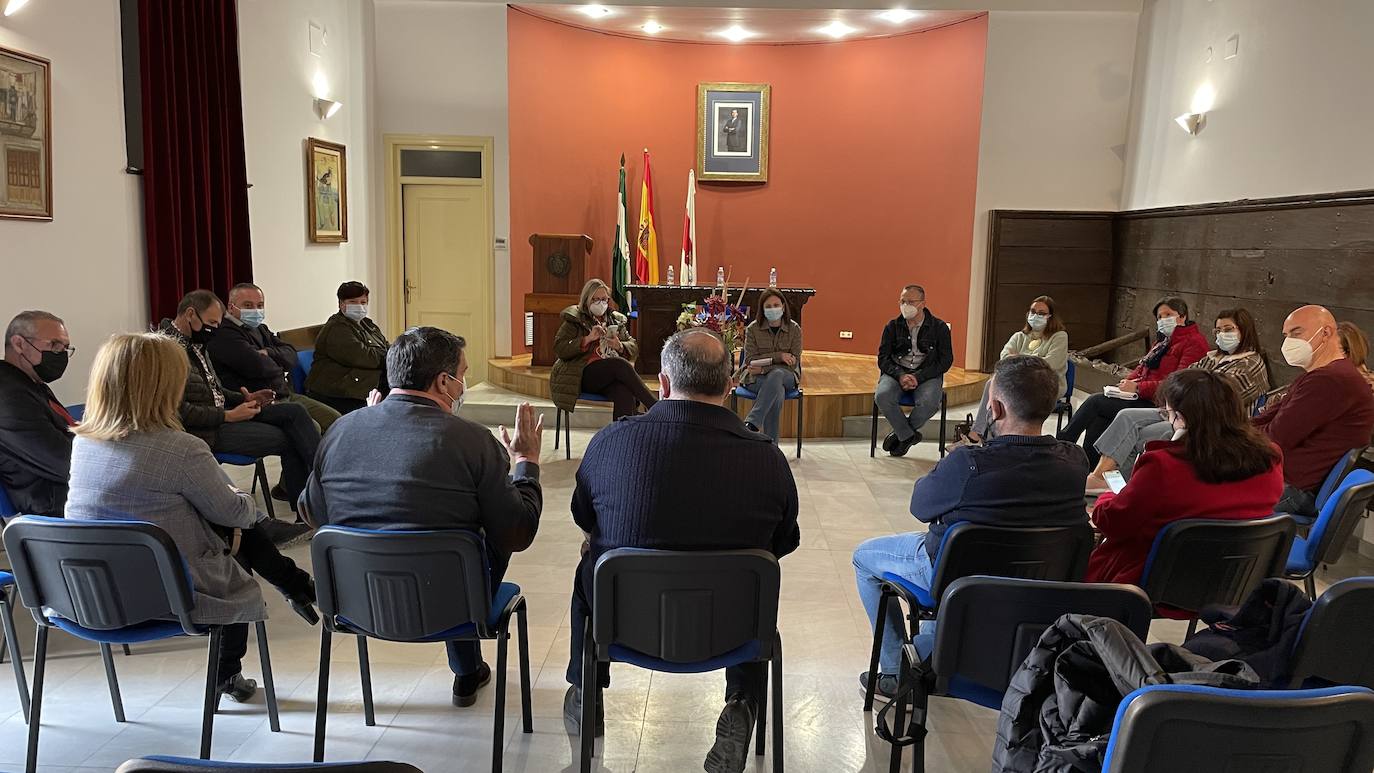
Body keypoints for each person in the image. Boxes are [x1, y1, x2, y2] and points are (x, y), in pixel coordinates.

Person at [560, 329, 800, 773]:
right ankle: (743, 702)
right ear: (729, 388)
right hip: (733, 631)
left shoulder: (611, 443)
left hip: (626, 627)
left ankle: (586, 688)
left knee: (588, 569)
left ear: (664, 385)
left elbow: (583, 517)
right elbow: (785, 541)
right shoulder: (768, 459)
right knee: (756, 574)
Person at [65, 332, 318, 703]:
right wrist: (236, 494)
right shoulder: (180, 448)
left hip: (91, 591)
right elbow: (235, 512)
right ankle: (283, 600)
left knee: (226, 533)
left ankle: (292, 585)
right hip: (170, 594)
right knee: (236, 541)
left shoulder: (83, 442)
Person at [301, 326, 543, 708]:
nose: (464, 384)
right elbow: (518, 533)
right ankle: (466, 669)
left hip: (354, 603)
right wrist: (525, 464)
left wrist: (363, 434)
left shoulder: (340, 430)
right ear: (444, 381)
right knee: (482, 529)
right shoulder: (474, 441)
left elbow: (312, 512)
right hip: (452, 604)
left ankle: (467, 669)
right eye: (463, 375)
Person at [854, 356, 1088, 700]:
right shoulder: (1074, 461)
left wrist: (954, 460)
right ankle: (932, 653)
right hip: (1037, 581)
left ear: (994, 408)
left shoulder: (969, 464)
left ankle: (893, 669)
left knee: (864, 557)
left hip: (959, 577)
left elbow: (920, 506)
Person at [1085, 369, 1284, 585]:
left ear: (1180, 418)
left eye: (1169, 413)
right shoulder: (1271, 457)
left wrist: (1107, 498)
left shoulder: (1163, 466)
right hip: (1234, 579)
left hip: (1157, 578)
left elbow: (1114, 522)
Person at [158, 290, 317, 538]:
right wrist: (229, 416)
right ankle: (313, 505)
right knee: (291, 437)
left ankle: (315, 501)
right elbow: (180, 412)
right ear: (190, 314)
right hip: (206, 430)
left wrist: (244, 398)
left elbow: (213, 390)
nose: (214, 329)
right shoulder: (166, 351)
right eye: (211, 323)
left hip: (224, 414)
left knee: (294, 413)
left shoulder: (196, 343)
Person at [1084, 307, 1272, 489]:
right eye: (1219, 330)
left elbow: (1214, 400)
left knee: (1141, 434)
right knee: (1126, 415)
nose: (1222, 334)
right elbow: (1179, 378)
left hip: (1207, 423)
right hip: (1179, 410)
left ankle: (1124, 486)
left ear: (1245, 331)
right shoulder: (1212, 358)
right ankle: (1100, 475)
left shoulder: (1251, 364)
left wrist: (1181, 392)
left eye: (1228, 329)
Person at [1057, 296, 1208, 466]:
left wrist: (1137, 387)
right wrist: (1124, 384)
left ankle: (1061, 445)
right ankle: (1087, 466)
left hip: (1162, 403)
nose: (1163, 320)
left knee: (1095, 402)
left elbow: (1177, 383)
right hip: (1143, 396)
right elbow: (1142, 368)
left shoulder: (1193, 343)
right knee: (1100, 415)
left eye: (1168, 315)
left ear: (1182, 316)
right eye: (1159, 317)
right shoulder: (1163, 341)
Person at [1255, 305, 1374, 519]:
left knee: (1195, 491)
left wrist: (1231, 437)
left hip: (1293, 490)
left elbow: (1275, 438)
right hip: (1287, 480)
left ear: (1326, 333)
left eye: (1296, 332)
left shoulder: (1331, 380)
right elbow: (1267, 418)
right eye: (1286, 335)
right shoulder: (1319, 376)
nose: (1288, 341)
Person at [208, 282, 341, 435]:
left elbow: (292, 355)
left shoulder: (261, 329)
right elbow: (259, 366)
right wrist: (279, 366)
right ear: (231, 307)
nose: (255, 310)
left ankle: (331, 458)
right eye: (248, 305)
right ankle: (314, 459)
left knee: (336, 420)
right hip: (258, 403)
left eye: (260, 305)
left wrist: (269, 353)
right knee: (313, 428)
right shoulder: (225, 334)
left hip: (285, 395)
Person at [951, 295, 1068, 450]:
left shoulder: (1059, 337)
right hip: (1018, 384)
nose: (1036, 316)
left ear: (1050, 316)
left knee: (999, 389)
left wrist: (1019, 357)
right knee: (994, 384)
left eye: (1041, 313)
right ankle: (990, 440)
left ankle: (979, 436)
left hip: (1046, 386)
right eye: (1033, 311)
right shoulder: (1019, 336)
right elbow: (1004, 358)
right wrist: (1035, 359)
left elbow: (1050, 363)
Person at [0, 311, 77, 517]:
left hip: (71, 495)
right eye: (54, 345)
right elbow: (65, 463)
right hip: (55, 508)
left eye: (65, 347)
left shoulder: (30, 382)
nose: (60, 354)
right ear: (19, 344)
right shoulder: (8, 395)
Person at [551, 278, 656, 420]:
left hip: (610, 374)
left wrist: (619, 346)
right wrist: (587, 339)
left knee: (624, 392)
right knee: (619, 364)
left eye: (604, 299)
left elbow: (634, 347)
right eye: (596, 300)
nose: (601, 303)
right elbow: (559, 348)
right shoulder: (574, 319)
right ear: (587, 300)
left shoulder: (615, 320)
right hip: (583, 374)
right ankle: (657, 408)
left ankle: (621, 438)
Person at [875, 284, 953, 457]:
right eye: (902, 301)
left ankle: (901, 435)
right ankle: (909, 435)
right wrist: (900, 375)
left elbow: (946, 360)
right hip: (897, 372)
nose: (905, 305)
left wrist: (919, 376)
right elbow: (883, 358)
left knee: (930, 402)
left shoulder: (939, 328)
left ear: (922, 304)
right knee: (882, 396)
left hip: (927, 374)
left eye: (910, 301)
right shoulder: (892, 326)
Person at [305, 281, 389, 415]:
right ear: (341, 304)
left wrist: (393, 355)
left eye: (363, 302)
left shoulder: (367, 324)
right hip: (337, 391)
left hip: (360, 383)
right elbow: (365, 358)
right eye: (353, 302)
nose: (359, 306)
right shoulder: (336, 328)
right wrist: (390, 356)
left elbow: (386, 346)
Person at [739, 288, 802, 440]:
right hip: (755, 378)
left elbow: (793, 363)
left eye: (776, 305)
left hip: (786, 375)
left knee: (778, 375)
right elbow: (750, 360)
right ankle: (771, 449)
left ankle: (753, 423)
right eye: (768, 306)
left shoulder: (794, 329)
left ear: (783, 306)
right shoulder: (753, 329)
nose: (773, 309)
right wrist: (779, 356)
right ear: (762, 309)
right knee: (776, 391)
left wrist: (763, 369)